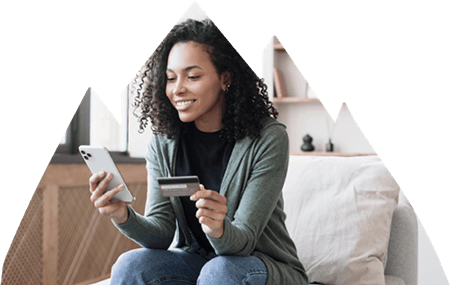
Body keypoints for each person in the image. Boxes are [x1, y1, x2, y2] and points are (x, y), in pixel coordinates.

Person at [88, 19, 309, 285]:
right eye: (170, 78)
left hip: (258, 264)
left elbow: (244, 241)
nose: (177, 89)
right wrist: (123, 215)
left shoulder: (267, 138)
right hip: (198, 260)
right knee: (130, 265)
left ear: (225, 78)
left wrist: (219, 228)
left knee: (219, 271)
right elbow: (162, 232)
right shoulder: (164, 140)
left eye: (192, 76)